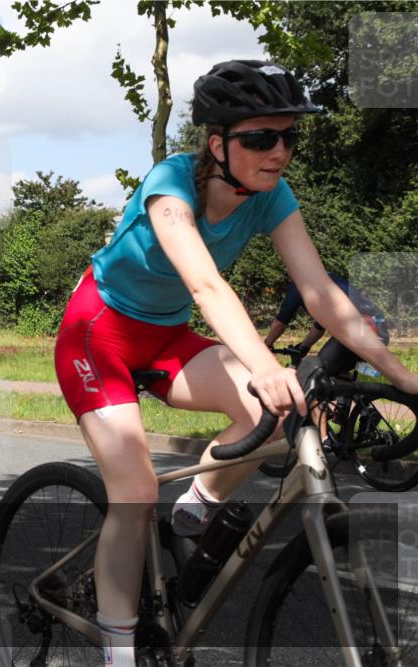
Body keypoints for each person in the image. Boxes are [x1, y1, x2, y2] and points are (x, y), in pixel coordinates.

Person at [53, 60, 418, 666]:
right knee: (136, 490)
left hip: (165, 336)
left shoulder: (273, 195)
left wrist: (404, 377)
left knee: (271, 418)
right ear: (217, 143)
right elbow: (205, 285)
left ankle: (195, 506)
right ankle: (118, 649)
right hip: (97, 333)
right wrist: (267, 368)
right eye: (260, 138)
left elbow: (322, 294)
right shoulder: (170, 185)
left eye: (289, 137)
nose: (279, 152)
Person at [264, 271, 389, 373]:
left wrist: (266, 345)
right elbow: (319, 326)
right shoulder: (327, 280)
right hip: (380, 329)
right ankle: (357, 400)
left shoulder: (300, 284)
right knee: (336, 369)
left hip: (363, 330)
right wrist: (304, 347)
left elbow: (280, 324)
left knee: (318, 370)